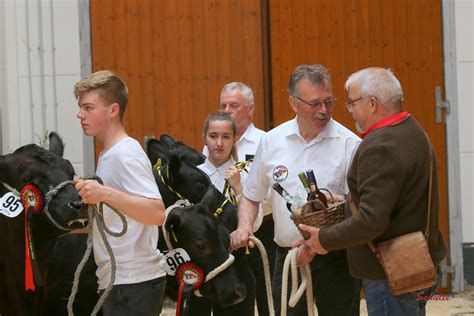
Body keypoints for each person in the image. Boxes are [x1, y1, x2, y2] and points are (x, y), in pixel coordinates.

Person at [295, 67, 448, 315]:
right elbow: (394, 199)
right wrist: (347, 203)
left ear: (373, 103)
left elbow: (371, 221)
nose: (350, 110)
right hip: (417, 264)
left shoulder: (380, 145)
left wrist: (322, 240)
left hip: (390, 273)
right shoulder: (412, 129)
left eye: (352, 103)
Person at [230, 64, 362, 315]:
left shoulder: (350, 145)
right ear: (294, 103)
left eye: (329, 101)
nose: (324, 110)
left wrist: (313, 246)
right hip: (288, 259)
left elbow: (357, 207)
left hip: (336, 261)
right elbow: (251, 195)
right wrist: (245, 226)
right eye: (315, 103)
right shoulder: (272, 141)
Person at [73, 70, 167, 315]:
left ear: (113, 110)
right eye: (81, 107)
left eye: (88, 107)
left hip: (135, 282)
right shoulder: (108, 154)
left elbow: (157, 213)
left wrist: (103, 194)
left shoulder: (127, 153)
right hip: (118, 280)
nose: (80, 115)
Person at [204, 82, 275, 316]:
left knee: (267, 298)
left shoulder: (266, 141)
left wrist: (242, 194)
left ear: (251, 109)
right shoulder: (212, 145)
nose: (226, 110)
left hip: (262, 229)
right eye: (222, 105)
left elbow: (270, 192)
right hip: (225, 236)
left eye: (234, 105)